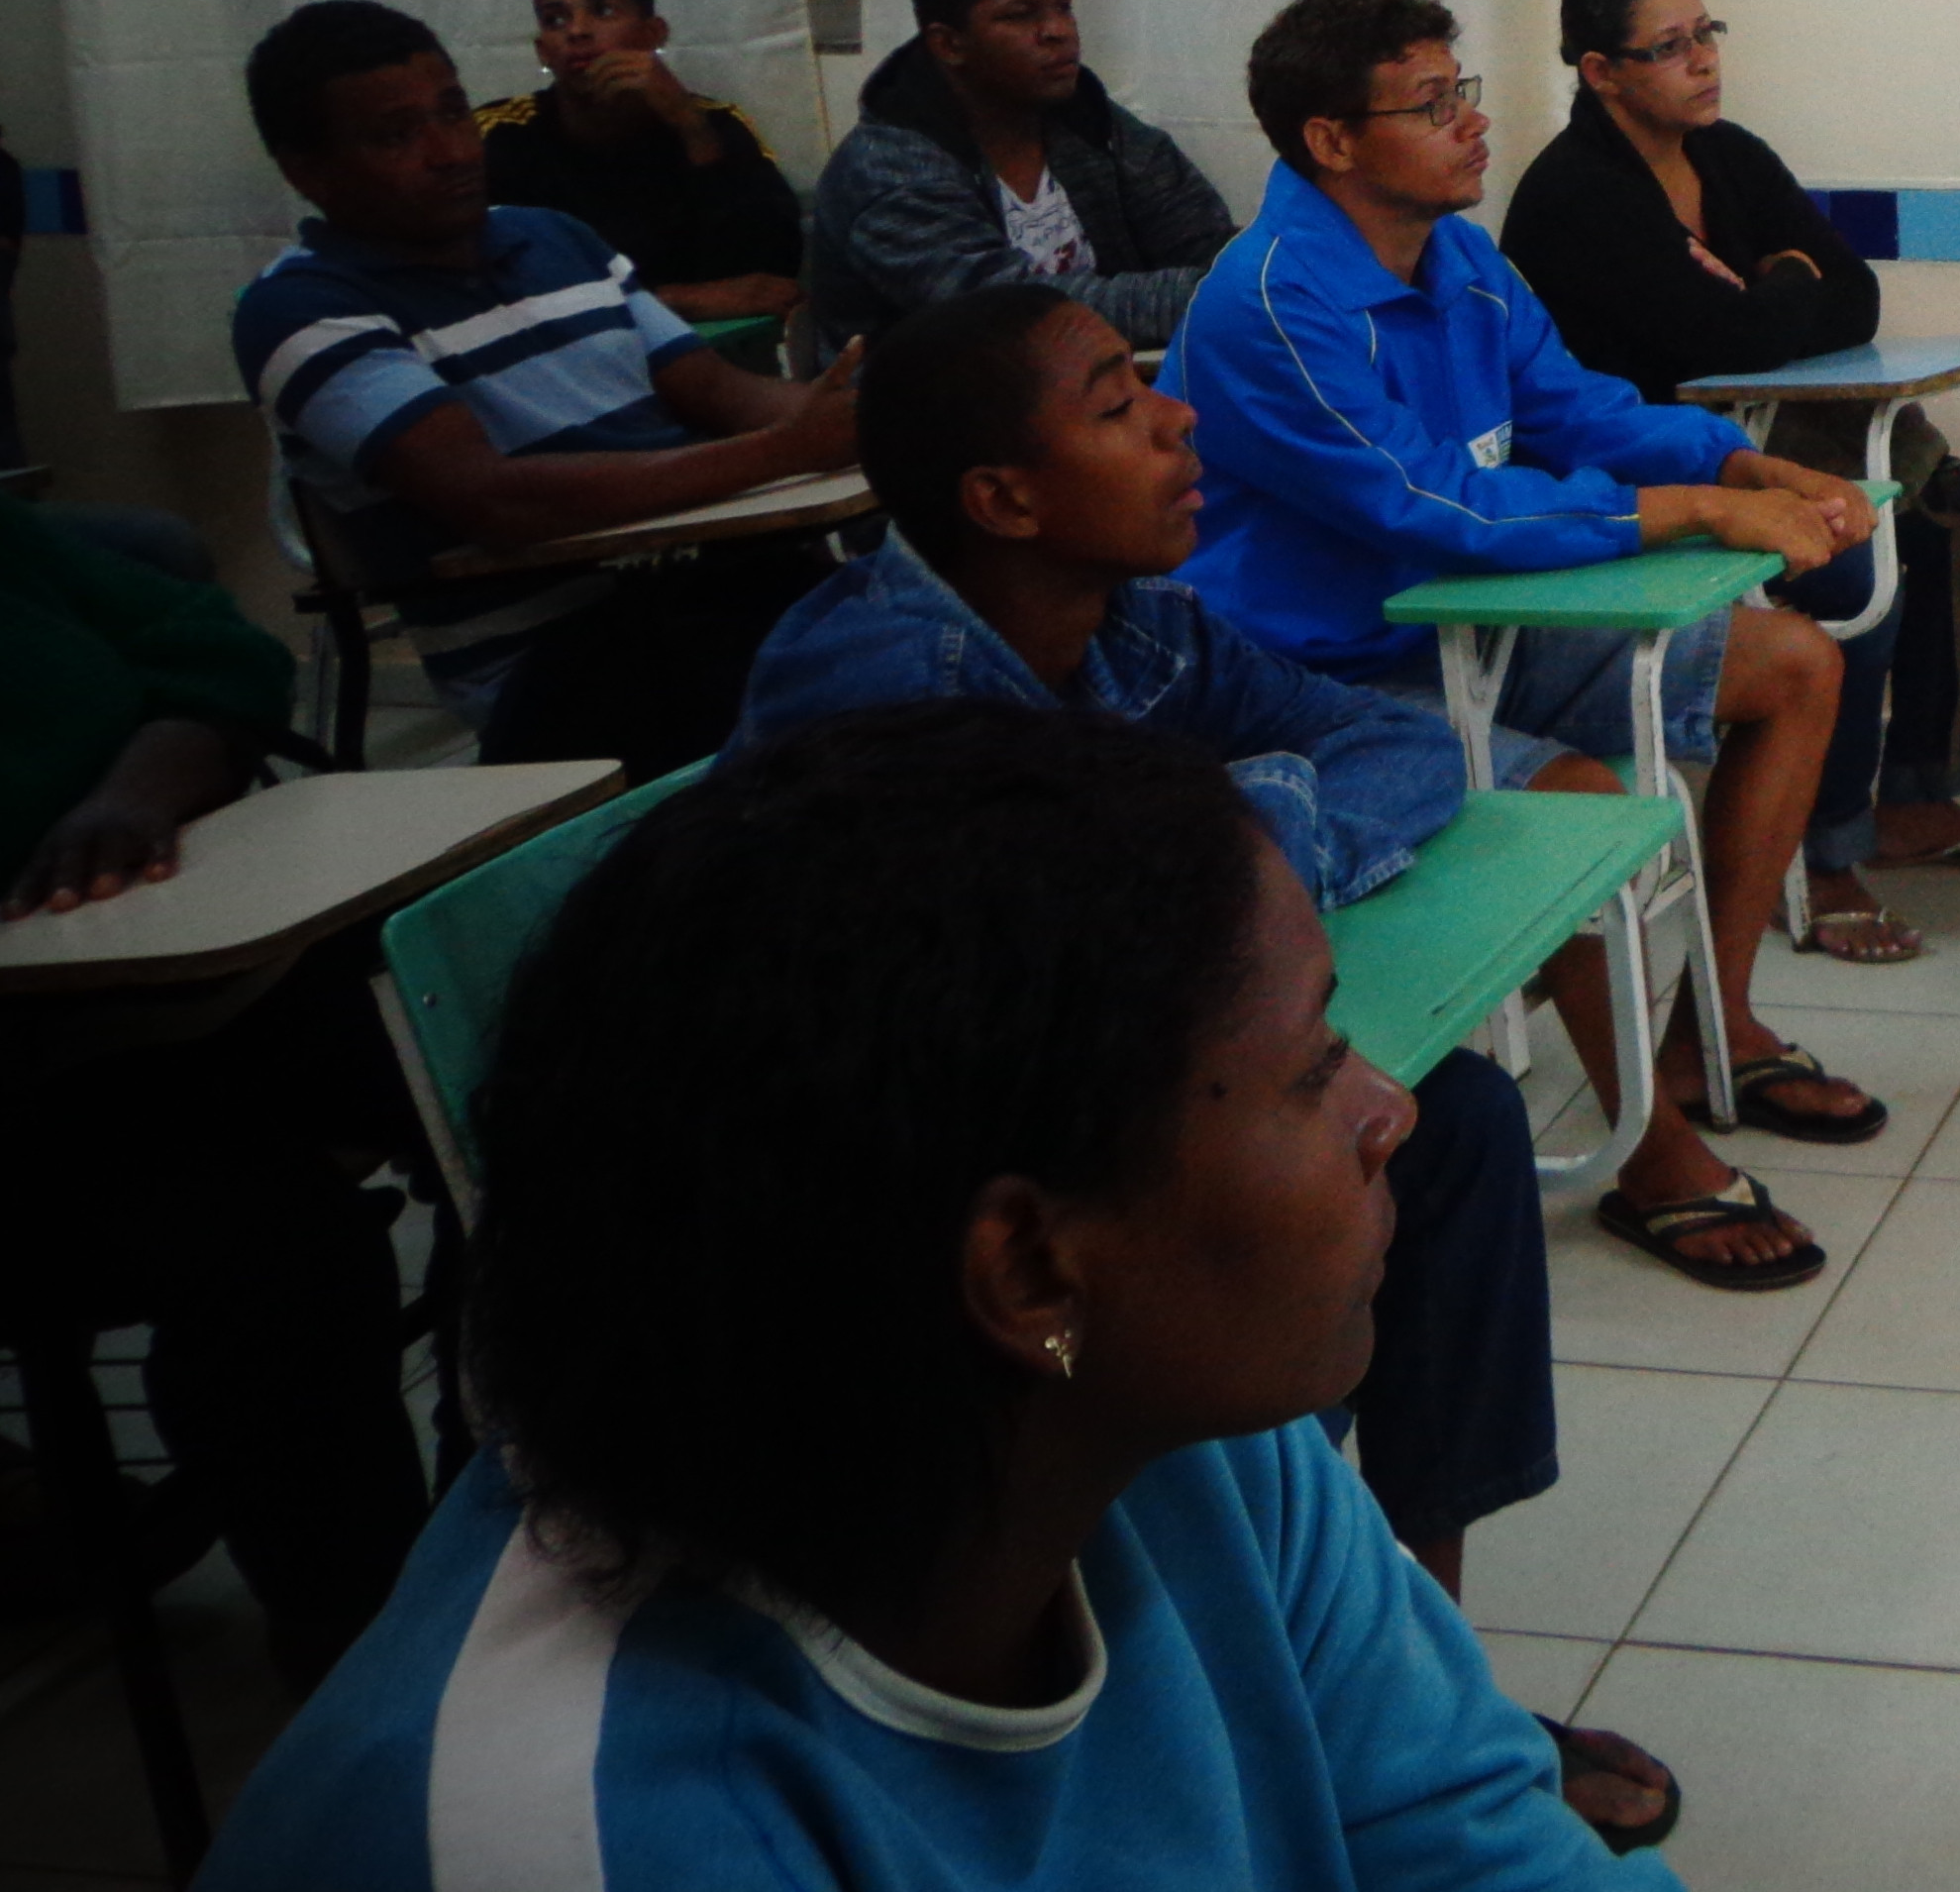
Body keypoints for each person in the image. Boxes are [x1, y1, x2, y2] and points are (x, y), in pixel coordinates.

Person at [202, 706, 1681, 1887]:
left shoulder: (1180, 1439)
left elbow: (1476, 1849)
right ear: (1032, 1268)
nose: (1390, 1110)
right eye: (1309, 1071)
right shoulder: (584, 1835)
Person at [720, 282, 1678, 1841]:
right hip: (925, 1202)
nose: (1177, 420)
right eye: (1116, 404)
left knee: (1448, 1125)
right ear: (1001, 498)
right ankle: (1277, 1692)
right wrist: (1221, 864)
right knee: (1321, 1184)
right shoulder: (879, 692)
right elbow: (982, 1040)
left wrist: (1226, 851)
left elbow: (1397, 746)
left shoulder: (1129, 615)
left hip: (1091, 1098)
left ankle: (1395, 1683)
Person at [1172, 0, 1886, 1293]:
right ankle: (1650, 1153)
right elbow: (1429, 504)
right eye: (1432, 105)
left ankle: (1707, 1024)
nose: (1474, 125)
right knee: (1575, 801)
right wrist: (1689, 513)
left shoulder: (1459, 256)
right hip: (1320, 665)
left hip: (1472, 618)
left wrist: (1739, 463)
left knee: (1793, 665)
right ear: (1332, 140)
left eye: (1466, 93)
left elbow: (1577, 410)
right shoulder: (1273, 304)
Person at [1503, 0, 1960, 966]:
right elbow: (1714, 343)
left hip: (1755, 433)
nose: (1703, 62)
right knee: (1848, 553)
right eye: (1670, 47)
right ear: (1601, 73)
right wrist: (1776, 294)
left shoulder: (1728, 155)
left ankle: (1915, 792)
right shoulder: (1576, 194)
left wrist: (1764, 294)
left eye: (1708, 35)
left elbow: (1852, 295)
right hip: (1641, 466)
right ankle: (1825, 853)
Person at [0, 497, 429, 1690]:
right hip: (34, 1071)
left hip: (165, 983)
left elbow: (216, 651)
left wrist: (138, 791)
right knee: (277, 1255)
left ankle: (583, 1504)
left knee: (517, 1056)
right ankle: (361, 1657)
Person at [229, 0, 864, 772]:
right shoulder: (301, 308)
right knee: (875, 699)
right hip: (557, 666)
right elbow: (495, 500)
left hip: (712, 594)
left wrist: (878, 411)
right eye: (398, 135)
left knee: (942, 624)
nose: (451, 151)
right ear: (307, 170)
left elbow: (726, 395)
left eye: (454, 112)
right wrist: (785, 450)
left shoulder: (557, 237)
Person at [805, 0, 1238, 355]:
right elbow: (1004, 317)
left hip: (1095, 393)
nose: (1058, 31)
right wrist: (1228, 294)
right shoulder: (889, 170)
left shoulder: (1088, 120)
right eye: (1020, 15)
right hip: (931, 413)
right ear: (949, 44)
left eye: (1064, 7)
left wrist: (1253, 282)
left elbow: (1206, 244)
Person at [470, 0, 808, 324]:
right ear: (543, 51)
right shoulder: (500, 135)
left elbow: (771, 277)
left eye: (603, 10)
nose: (577, 31)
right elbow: (492, 287)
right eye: (556, 19)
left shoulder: (714, 122)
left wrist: (689, 126)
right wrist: (671, 300)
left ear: (653, 33)